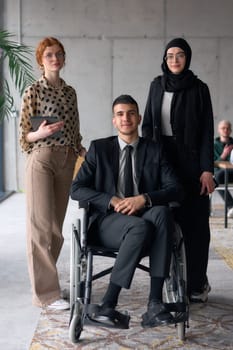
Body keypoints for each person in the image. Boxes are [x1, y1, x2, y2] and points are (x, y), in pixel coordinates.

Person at [71, 94, 183, 328]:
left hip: (145, 217)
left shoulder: (155, 150)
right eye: (120, 114)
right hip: (108, 222)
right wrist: (110, 199)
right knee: (140, 226)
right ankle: (109, 303)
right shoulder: (98, 149)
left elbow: (176, 189)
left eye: (131, 113)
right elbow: (76, 189)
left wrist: (144, 199)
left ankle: (155, 304)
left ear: (139, 118)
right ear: (114, 120)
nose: (126, 118)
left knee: (162, 214)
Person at [142, 37, 216, 303]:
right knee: (165, 222)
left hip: (193, 164)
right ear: (165, 59)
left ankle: (197, 283)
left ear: (188, 59)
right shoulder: (156, 86)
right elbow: (148, 125)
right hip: (162, 161)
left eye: (180, 55)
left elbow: (208, 130)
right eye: (170, 55)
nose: (174, 60)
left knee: (196, 226)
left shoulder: (199, 88)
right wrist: (147, 163)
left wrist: (207, 170)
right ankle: (169, 281)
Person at [19, 37, 86, 310]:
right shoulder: (33, 90)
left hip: (67, 159)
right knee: (41, 228)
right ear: (40, 60)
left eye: (59, 54)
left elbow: (75, 128)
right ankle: (46, 295)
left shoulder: (70, 92)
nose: (55, 58)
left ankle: (50, 286)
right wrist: (41, 133)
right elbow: (24, 136)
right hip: (42, 159)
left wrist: (82, 149)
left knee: (56, 230)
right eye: (49, 55)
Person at [214, 120, 233, 217]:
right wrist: (223, 155)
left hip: (232, 173)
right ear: (218, 130)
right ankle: (231, 206)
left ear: (231, 130)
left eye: (228, 128)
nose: (225, 130)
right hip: (219, 175)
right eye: (223, 128)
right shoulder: (213, 145)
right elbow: (211, 164)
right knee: (217, 176)